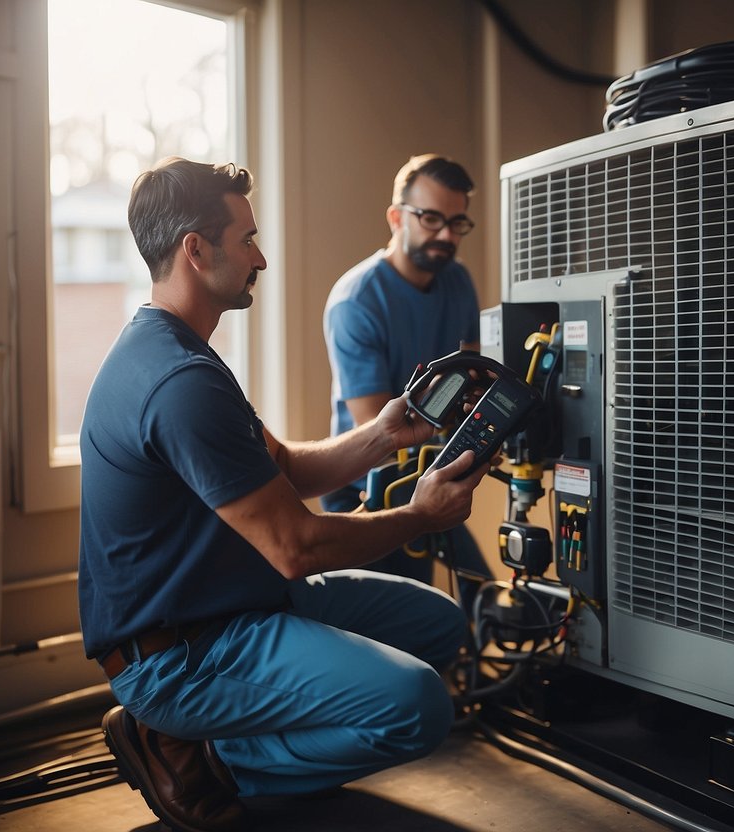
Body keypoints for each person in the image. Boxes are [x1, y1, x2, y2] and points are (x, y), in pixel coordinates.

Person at [78, 156, 488, 832]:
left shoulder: (184, 354)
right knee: (419, 706)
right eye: (246, 241)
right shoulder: (176, 380)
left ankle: (264, 742)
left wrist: (384, 436)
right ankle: (201, 760)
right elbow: (295, 546)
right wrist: (418, 515)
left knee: (438, 624)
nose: (260, 258)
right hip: (181, 652)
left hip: (234, 602)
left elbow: (287, 468)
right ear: (194, 249)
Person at [321, 154, 490, 594]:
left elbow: (472, 377)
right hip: (366, 489)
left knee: (480, 598)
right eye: (431, 218)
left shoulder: (458, 282)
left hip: (430, 475)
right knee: (401, 629)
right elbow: (378, 428)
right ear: (397, 217)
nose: (447, 235)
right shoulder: (355, 302)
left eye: (457, 223)